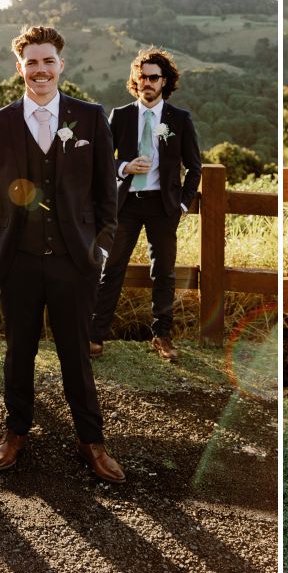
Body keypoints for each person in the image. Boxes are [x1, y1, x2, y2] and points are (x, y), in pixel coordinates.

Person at [0, 25, 124, 481]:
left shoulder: (91, 118)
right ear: (20, 68)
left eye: (48, 61)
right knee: (19, 352)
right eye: (31, 62)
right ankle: (15, 433)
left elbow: (105, 193)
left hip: (74, 261)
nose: (40, 70)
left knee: (75, 354)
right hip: (16, 260)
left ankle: (91, 441)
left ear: (61, 66)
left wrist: (99, 247)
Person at [91, 48, 202, 362]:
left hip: (163, 208)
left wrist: (182, 205)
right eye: (142, 77)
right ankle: (95, 335)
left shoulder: (179, 119)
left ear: (164, 81)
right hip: (125, 206)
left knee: (164, 274)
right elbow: (102, 161)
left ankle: (162, 336)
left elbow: (195, 167)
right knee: (112, 270)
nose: (148, 83)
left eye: (154, 77)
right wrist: (124, 167)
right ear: (135, 81)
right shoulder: (121, 115)